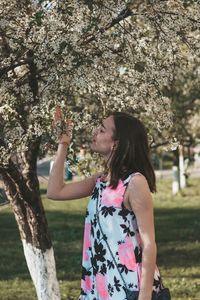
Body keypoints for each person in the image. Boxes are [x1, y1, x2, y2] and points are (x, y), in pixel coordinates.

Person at [47, 112, 164, 300]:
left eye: (102, 130)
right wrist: (63, 144)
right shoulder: (100, 181)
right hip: (100, 282)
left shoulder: (135, 183)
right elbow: (54, 192)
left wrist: (144, 296)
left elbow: (149, 244)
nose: (95, 132)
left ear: (116, 143)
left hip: (129, 284)